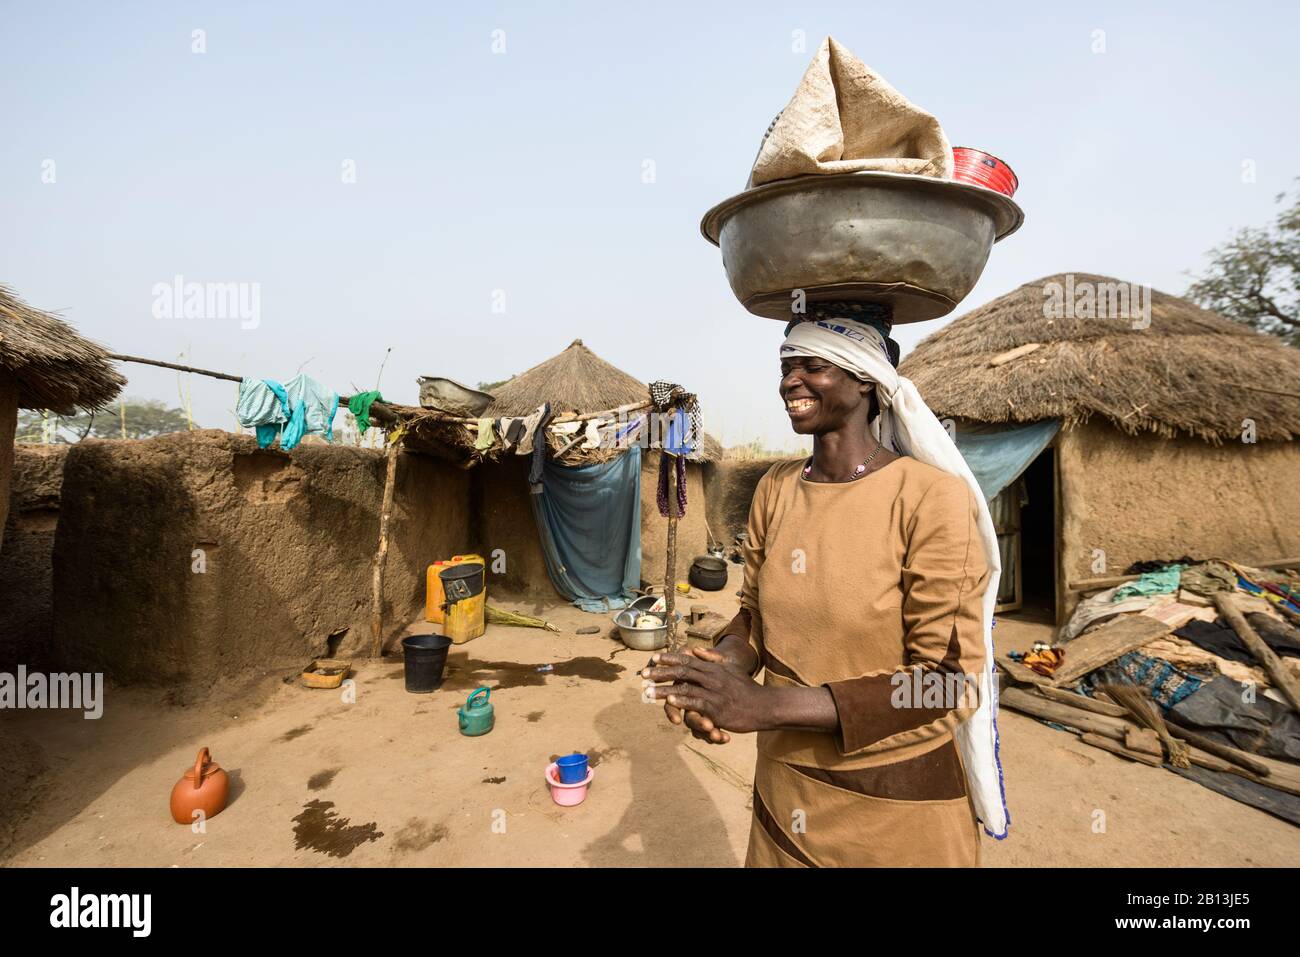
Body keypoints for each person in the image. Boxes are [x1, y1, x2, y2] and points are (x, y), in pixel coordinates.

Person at [643, 309, 1007, 867]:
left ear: (865, 379)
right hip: (786, 798)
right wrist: (720, 674)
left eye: (812, 366)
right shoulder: (777, 489)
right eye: (786, 366)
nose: (790, 380)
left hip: (893, 806)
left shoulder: (929, 498)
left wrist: (766, 705)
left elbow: (946, 685)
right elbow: (755, 616)